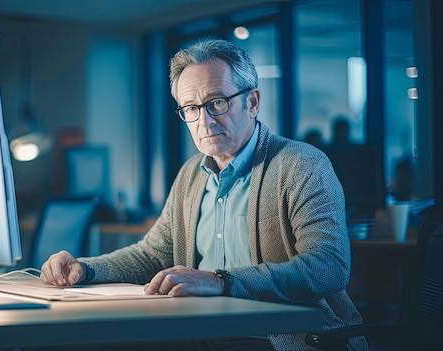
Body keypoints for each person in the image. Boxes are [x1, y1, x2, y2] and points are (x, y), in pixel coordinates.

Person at [40, 39, 366, 351]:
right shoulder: (190, 175)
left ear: (251, 102)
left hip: (277, 339)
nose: (204, 121)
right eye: (191, 108)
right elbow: (153, 255)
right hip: (198, 331)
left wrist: (221, 282)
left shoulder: (302, 165)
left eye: (216, 103)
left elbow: (327, 268)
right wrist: (86, 269)